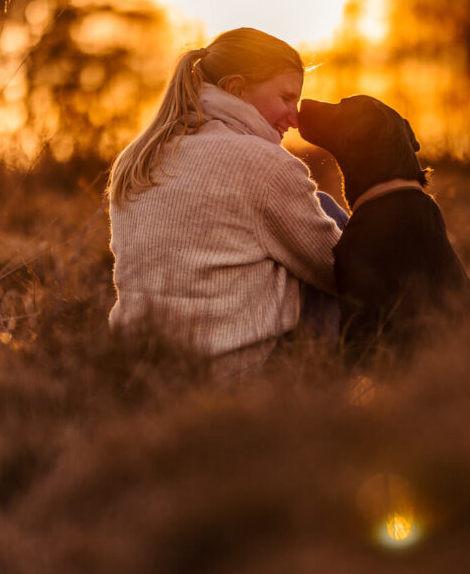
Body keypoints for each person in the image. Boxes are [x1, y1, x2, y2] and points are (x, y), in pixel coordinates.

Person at [108, 27, 347, 378]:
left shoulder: (139, 156)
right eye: (286, 98)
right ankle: (401, 371)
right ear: (235, 88)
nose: (294, 118)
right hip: (235, 377)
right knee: (325, 215)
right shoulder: (266, 165)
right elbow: (344, 274)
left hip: (138, 373)